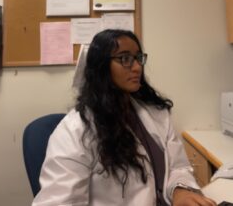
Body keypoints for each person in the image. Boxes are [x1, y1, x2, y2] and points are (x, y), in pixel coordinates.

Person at [32, 29, 216, 206]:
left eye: (138, 58)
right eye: (125, 58)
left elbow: (178, 167)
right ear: (101, 66)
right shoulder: (75, 131)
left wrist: (180, 190)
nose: (137, 67)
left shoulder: (155, 113)